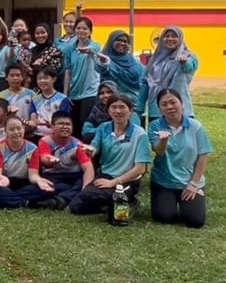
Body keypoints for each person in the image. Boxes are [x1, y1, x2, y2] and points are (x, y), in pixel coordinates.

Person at [69, 95, 150, 216]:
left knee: (118, 217)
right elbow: (94, 146)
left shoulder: (140, 134)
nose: (118, 111)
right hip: (106, 175)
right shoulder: (103, 128)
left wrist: (113, 183)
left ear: (130, 110)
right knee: (76, 206)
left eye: (122, 107)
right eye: (114, 107)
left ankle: (130, 202)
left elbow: (140, 169)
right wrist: (90, 150)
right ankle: (113, 202)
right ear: (108, 110)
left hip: (127, 180)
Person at [148, 89, 212, 228]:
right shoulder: (155, 126)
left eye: (173, 102)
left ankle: (191, 200)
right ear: (159, 108)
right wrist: (163, 140)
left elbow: (203, 156)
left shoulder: (196, 126)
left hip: (189, 181)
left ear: (182, 104)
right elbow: (158, 152)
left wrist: (193, 184)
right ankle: (167, 202)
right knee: (164, 217)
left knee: (195, 221)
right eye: (164, 104)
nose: (169, 107)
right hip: (164, 182)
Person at [28, 111, 95, 209]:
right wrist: (50, 160)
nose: (65, 127)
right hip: (52, 177)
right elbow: (44, 158)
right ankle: (70, 196)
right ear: (52, 126)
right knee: (35, 188)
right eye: (61, 124)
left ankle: (60, 200)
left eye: (68, 124)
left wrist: (85, 190)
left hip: (73, 177)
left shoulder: (78, 145)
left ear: (72, 129)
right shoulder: (46, 141)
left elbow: (88, 168)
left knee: (84, 183)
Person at [0, 116, 48, 209]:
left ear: (23, 128)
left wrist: (39, 180)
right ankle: (25, 203)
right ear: (6, 132)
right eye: (11, 129)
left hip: (24, 183)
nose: (16, 132)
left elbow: (33, 175)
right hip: (5, 183)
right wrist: (1, 178)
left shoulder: (33, 148)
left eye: (19, 128)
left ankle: (6, 201)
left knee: (45, 189)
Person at [144, 26, 199, 122]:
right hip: (156, 110)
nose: (170, 39)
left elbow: (189, 67)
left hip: (180, 109)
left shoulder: (188, 56)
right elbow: (146, 81)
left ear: (180, 38)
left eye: (174, 36)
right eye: (167, 36)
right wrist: (140, 107)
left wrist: (184, 62)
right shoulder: (154, 59)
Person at [61, 17, 102, 135]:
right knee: (74, 126)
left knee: (85, 125)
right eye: (78, 28)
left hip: (90, 92)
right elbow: (68, 71)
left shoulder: (95, 46)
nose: (81, 31)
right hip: (74, 92)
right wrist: (65, 93)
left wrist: (89, 51)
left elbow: (94, 50)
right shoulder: (70, 48)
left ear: (90, 31)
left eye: (85, 28)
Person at [95, 30, 147, 117]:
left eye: (125, 41)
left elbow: (143, 80)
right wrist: (104, 63)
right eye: (118, 40)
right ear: (111, 42)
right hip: (111, 106)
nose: (122, 43)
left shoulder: (133, 61)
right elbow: (100, 69)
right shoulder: (105, 58)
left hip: (133, 106)